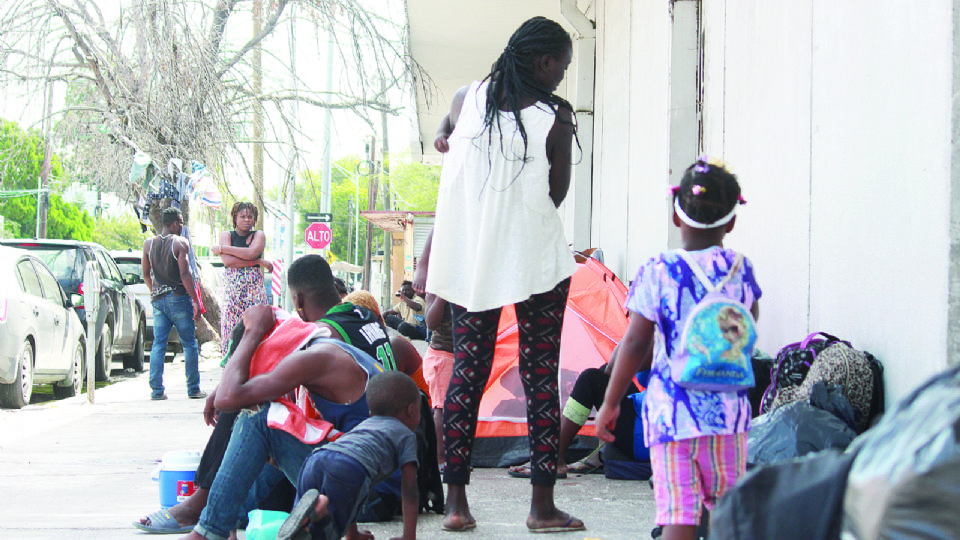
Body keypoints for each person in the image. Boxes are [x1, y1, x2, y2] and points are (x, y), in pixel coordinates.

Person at [412, 16, 583, 533]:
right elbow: (556, 192)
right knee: (539, 378)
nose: (562, 76)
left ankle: (458, 504)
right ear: (542, 60)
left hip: (475, 257)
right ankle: (541, 508)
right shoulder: (555, 114)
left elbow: (446, 134)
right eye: (561, 65)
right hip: (534, 258)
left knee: (468, 370)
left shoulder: (468, 97)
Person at [134, 256, 393, 535]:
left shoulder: (319, 343)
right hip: (375, 478)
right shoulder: (359, 318)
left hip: (364, 493)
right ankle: (217, 519)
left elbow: (229, 399)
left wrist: (252, 332)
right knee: (268, 422)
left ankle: (209, 521)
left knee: (259, 417)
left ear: (298, 301)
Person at [595, 157, 761, 540]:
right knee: (724, 514)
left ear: (676, 216)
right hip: (728, 415)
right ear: (732, 220)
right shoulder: (742, 269)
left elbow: (636, 343)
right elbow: (749, 325)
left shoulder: (659, 270)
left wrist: (611, 402)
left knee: (679, 516)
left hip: (673, 415)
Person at [277, 371, 421, 540]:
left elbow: (355, 498)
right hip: (349, 467)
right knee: (328, 532)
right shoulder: (405, 435)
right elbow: (409, 489)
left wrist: (353, 535)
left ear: (371, 413)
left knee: (303, 522)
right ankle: (320, 511)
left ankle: (312, 521)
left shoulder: (365, 425)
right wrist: (408, 536)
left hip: (317, 458)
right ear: (411, 410)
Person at [507, 342, 648, 478]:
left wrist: (637, 326)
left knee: (591, 379)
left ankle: (553, 459)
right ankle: (597, 457)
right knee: (602, 375)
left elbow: (615, 365)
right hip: (650, 419)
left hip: (648, 434)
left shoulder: (657, 339)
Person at [142, 207, 204, 400]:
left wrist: (155, 291)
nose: (182, 227)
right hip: (178, 298)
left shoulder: (148, 244)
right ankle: (193, 389)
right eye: (182, 223)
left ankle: (157, 390)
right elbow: (185, 274)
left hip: (159, 301)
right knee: (189, 344)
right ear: (175, 223)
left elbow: (146, 273)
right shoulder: (180, 243)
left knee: (158, 344)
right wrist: (195, 300)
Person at [212, 202, 272, 353]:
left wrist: (222, 249)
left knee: (256, 326)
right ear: (235, 218)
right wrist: (258, 261)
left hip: (254, 291)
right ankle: (230, 363)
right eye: (243, 216)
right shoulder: (226, 235)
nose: (247, 220)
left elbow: (252, 252)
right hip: (233, 293)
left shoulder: (258, 235)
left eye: (250, 217)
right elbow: (229, 262)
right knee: (231, 329)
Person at [422, 293, 453, 468]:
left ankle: (450, 455)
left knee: (451, 410)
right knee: (441, 409)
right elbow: (431, 323)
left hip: (457, 354)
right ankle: (439, 458)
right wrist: (443, 295)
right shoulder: (436, 288)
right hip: (442, 356)